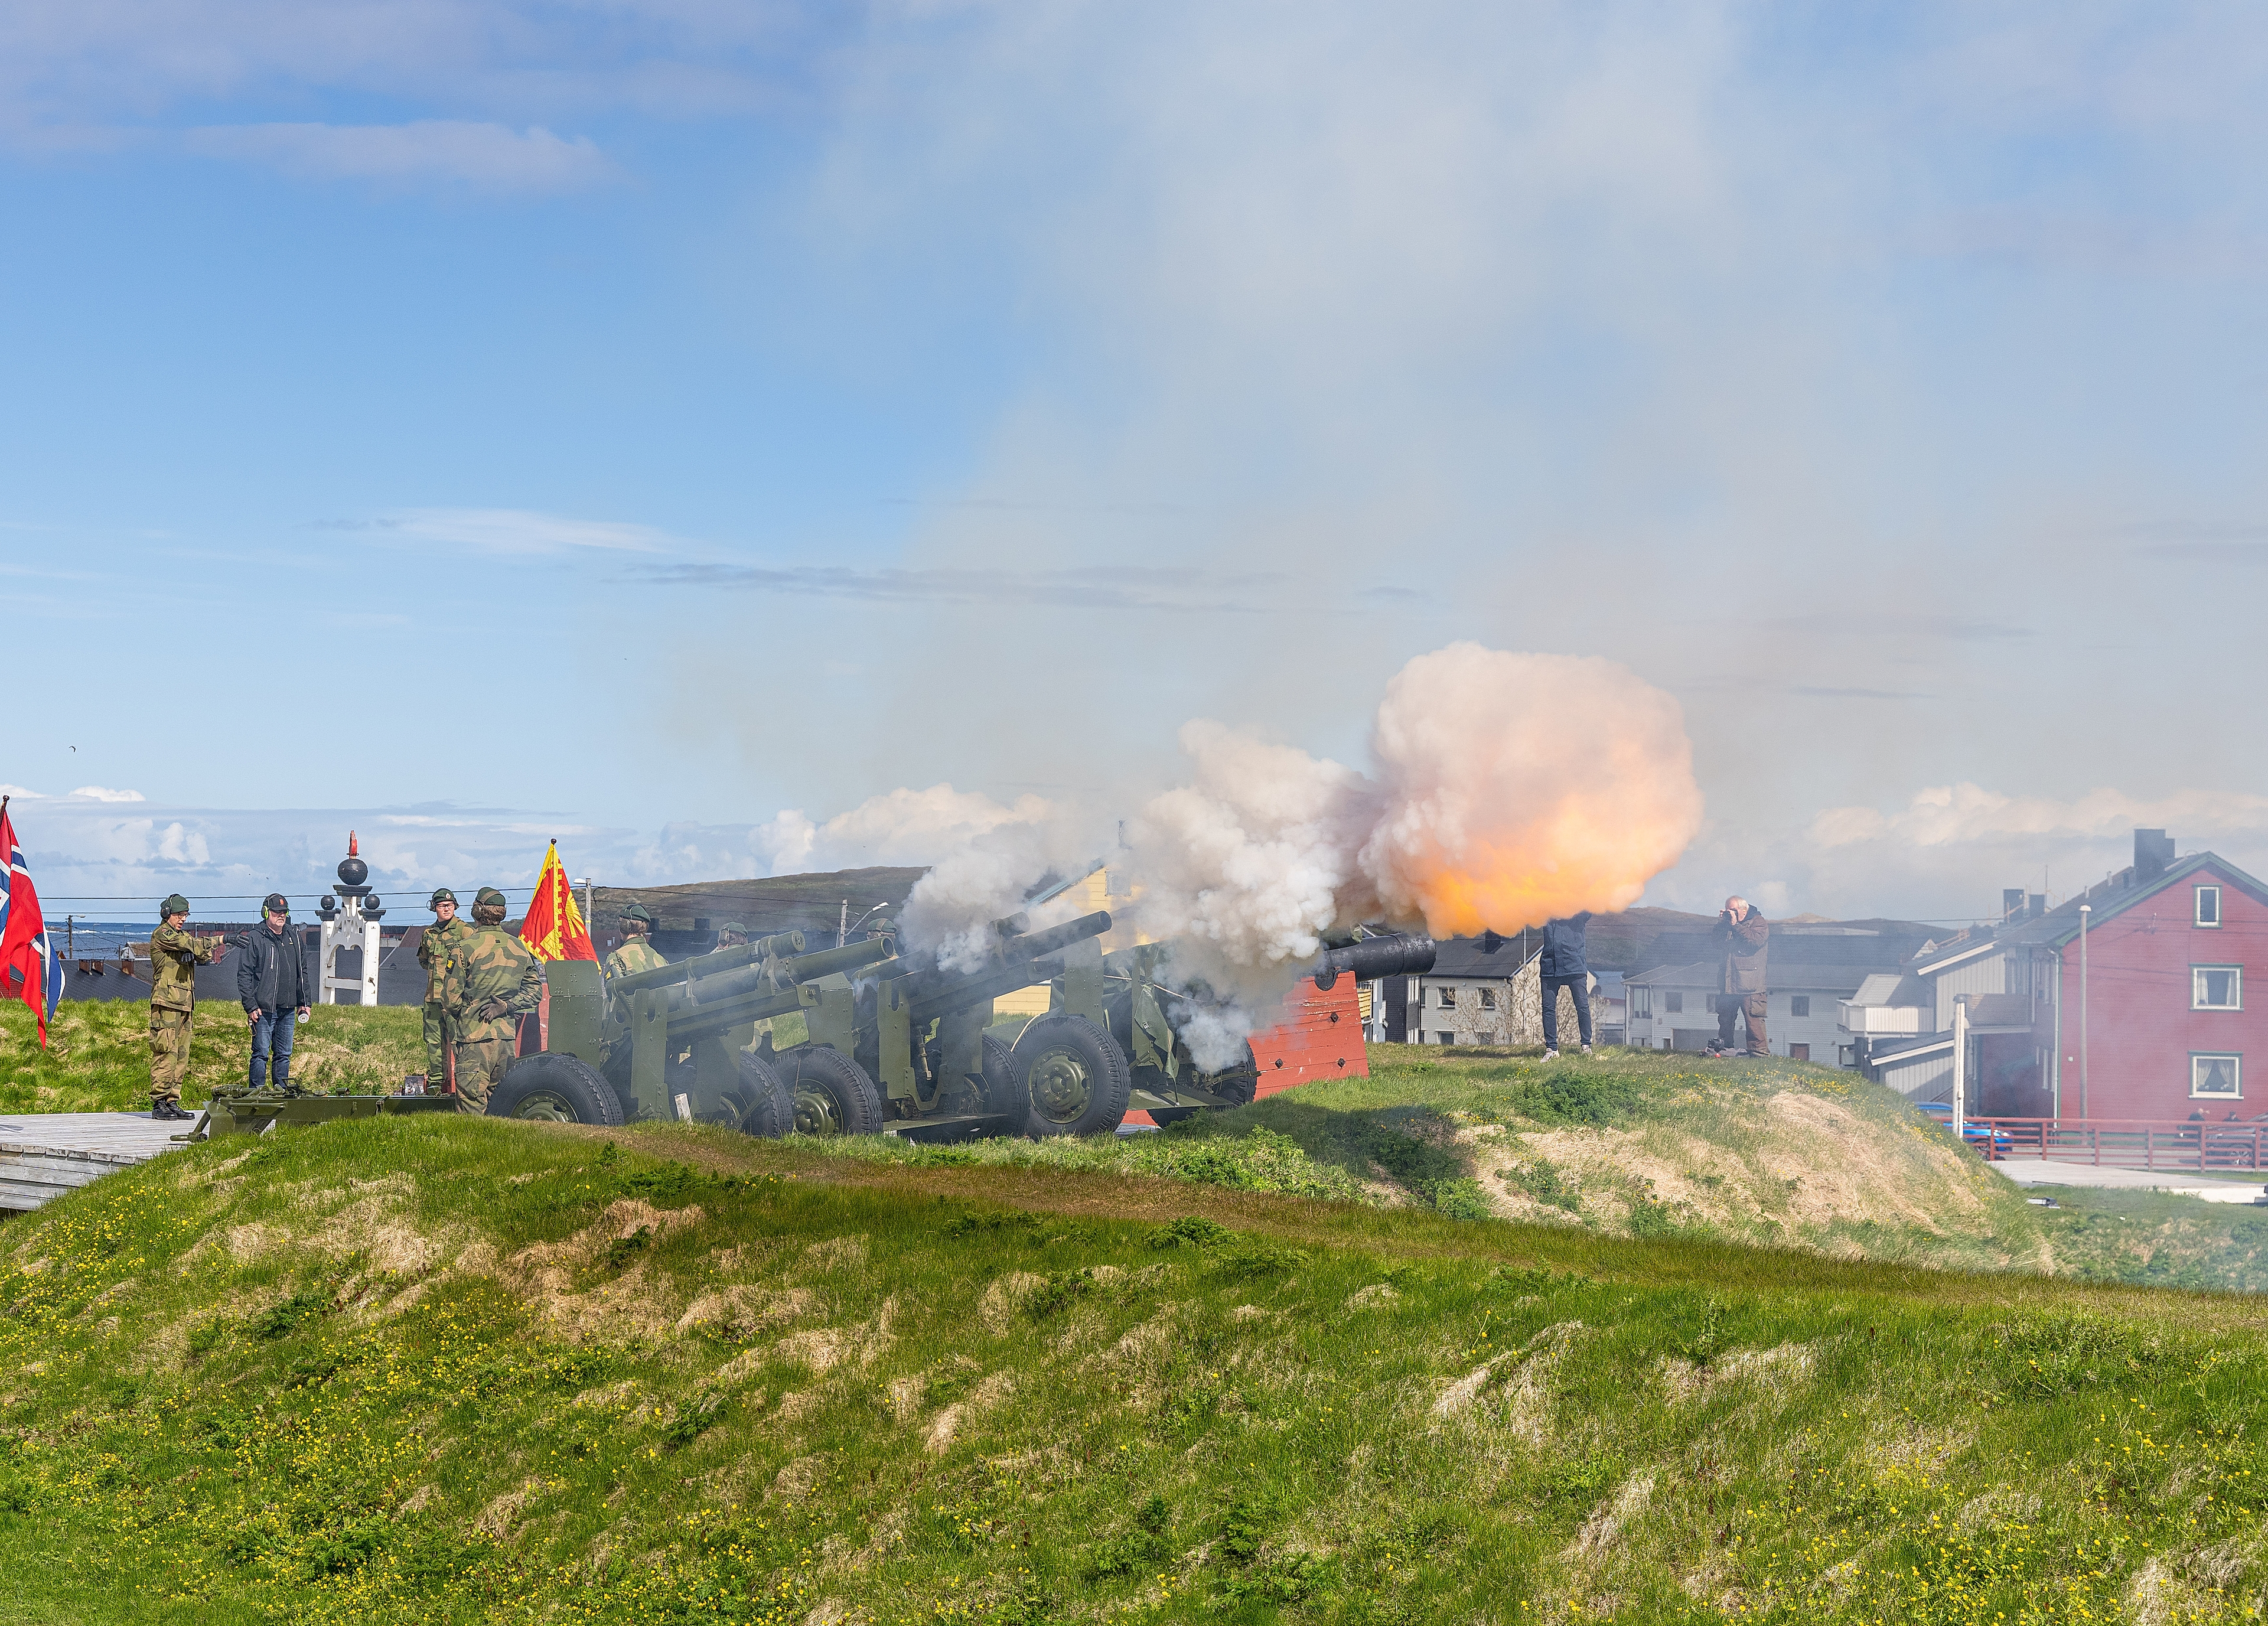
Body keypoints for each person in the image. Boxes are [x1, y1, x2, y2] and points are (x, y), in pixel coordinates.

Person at [444, 887, 542, 1114]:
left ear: (477, 911)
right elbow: (535, 991)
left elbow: (450, 1001)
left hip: (473, 1039)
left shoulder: (464, 949)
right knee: (500, 1106)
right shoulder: (519, 947)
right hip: (506, 1040)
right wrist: (507, 1006)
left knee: (471, 1106)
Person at [237, 892, 313, 1090]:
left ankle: (281, 1093)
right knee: (261, 1053)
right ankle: (257, 1094)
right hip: (263, 1009)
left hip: (288, 1009)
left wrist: (305, 1002)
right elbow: (244, 975)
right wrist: (251, 1005)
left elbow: (302, 972)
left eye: (284, 912)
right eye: (276, 912)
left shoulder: (295, 937)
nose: (281, 915)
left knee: (284, 1054)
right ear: (266, 913)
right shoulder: (255, 938)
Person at [146, 894, 213, 1120]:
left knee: (181, 1055)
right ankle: (159, 1102)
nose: (183, 919)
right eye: (179, 915)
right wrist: (223, 939)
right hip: (166, 1003)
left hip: (185, 1004)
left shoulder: (181, 935)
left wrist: (192, 952)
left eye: (185, 915)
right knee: (166, 1051)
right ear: (167, 914)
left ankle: (172, 1099)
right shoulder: (162, 933)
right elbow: (191, 944)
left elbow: (203, 955)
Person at [418, 888, 475, 1088]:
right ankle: (436, 1084)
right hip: (432, 999)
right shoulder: (428, 934)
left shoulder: (465, 931)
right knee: (433, 1042)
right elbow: (424, 960)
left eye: (450, 906)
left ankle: (465, 1083)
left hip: (456, 999)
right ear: (435, 908)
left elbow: (473, 963)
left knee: (460, 1042)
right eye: (442, 906)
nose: (447, 909)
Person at [1712, 895, 1770, 1057]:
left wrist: (1735, 925)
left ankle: (1759, 1055)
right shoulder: (1729, 924)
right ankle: (1724, 1050)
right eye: (1728, 910)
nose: (1731, 913)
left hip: (1751, 985)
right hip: (1729, 982)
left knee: (1754, 1022)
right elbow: (1715, 943)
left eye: (1734, 910)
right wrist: (1723, 924)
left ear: (1744, 910)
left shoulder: (1759, 922)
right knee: (1725, 1020)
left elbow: (1754, 941)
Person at [1537, 911, 1594, 1060]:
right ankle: (1551, 1049)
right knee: (1548, 1007)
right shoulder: (1545, 907)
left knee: (1582, 1006)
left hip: (1575, 965)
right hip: (1550, 965)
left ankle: (1586, 1046)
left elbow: (1590, 909)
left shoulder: (1578, 908)